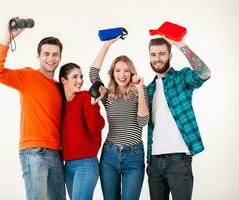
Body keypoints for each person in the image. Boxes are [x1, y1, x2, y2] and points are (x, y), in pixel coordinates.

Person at [0, 18, 66, 200]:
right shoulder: (28, 76)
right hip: (34, 151)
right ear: (38, 56)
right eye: (46, 54)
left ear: (60, 57)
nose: (51, 58)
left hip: (56, 152)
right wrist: (8, 37)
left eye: (55, 54)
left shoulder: (59, 87)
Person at [146, 37, 211, 200]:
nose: (157, 59)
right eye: (153, 54)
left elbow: (204, 73)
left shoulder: (181, 78)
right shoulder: (149, 89)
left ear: (170, 56)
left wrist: (181, 45)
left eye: (162, 54)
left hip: (179, 160)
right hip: (154, 162)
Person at [89, 38, 149, 200]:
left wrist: (140, 89)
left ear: (132, 73)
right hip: (110, 154)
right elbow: (93, 74)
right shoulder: (107, 94)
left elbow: (143, 122)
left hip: (134, 156)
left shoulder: (140, 91)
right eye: (118, 70)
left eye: (126, 70)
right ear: (112, 73)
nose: (122, 75)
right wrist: (106, 45)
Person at [58, 63, 105, 200]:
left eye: (81, 77)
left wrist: (94, 105)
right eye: (75, 77)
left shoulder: (85, 97)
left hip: (86, 163)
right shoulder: (61, 104)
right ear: (63, 80)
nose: (80, 81)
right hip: (68, 164)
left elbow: (95, 127)